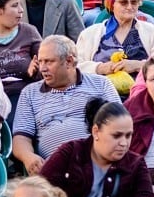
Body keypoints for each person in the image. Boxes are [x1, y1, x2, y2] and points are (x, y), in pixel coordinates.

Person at [11, 35, 120, 175]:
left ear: (69, 61)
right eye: (40, 61)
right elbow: (21, 138)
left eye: (49, 62)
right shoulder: (29, 93)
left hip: (97, 164)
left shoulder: (101, 84)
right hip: (54, 170)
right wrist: (28, 157)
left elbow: (119, 125)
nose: (42, 68)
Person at [75, 0, 154, 85]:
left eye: (134, 2)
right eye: (123, 2)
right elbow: (76, 67)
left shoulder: (153, 32)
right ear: (112, 5)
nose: (130, 7)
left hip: (142, 91)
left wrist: (138, 65)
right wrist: (100, 68)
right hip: (100, 94)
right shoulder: (89, 34)